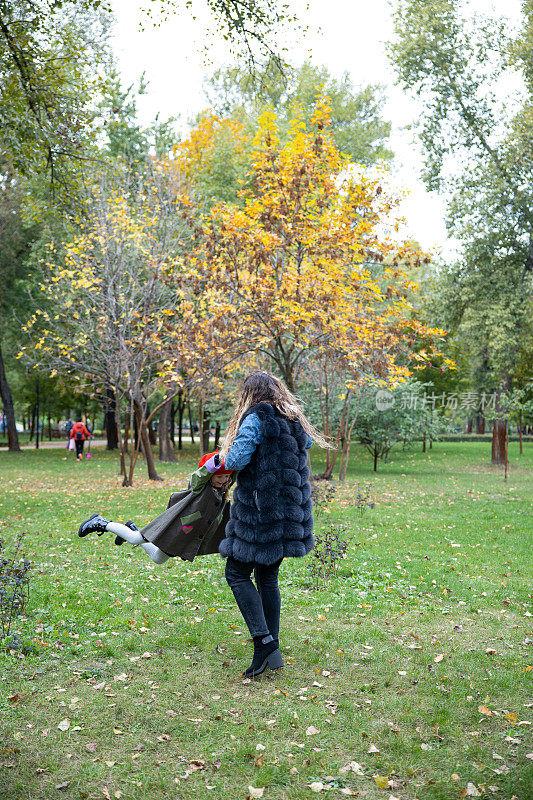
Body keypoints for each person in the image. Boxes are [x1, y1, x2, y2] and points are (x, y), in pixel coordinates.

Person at [203, 371, 329, 678]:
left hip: (260, 513)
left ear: (251, 394)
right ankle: (269, 648)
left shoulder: (256, 417)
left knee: (235, 572)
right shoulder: (295, 419)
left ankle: (263, 641)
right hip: (289, 514)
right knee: (267, 576)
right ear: (277, 391)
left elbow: (236, 460)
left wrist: (215, 460)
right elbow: (306, 445)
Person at [76, 453, 233, 565]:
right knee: (134, 538)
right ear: (210, 475)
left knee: (158, 559)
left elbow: (235, 473)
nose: (223, 480)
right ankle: (101, 523)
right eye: (219, 476)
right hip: (175, 527)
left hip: (184, 535)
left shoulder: (222, 490)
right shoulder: (200, 487)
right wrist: (210, 466)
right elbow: (198, 476)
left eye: (226, 477)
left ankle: (132, 528)